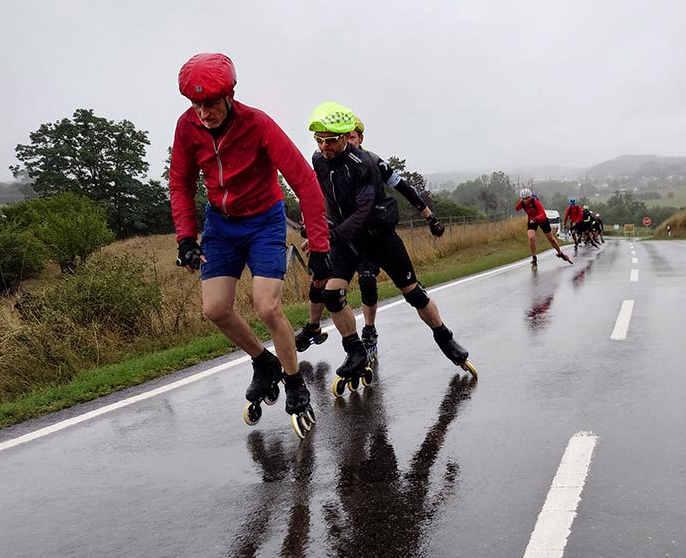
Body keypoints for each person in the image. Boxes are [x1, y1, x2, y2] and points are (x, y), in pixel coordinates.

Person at [169, 53, 331, 439]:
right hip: (221, 225)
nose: (203, 112)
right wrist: (187, 237)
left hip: (263, 220)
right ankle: (263, 363)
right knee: (214, 308)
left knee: (267, 305)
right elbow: (180, 182)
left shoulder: (256, 124)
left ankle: (294, 382)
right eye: (196, 104)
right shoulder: (187, 126)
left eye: (210, 103)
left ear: (230, 95)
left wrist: (320, 245)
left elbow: (305, 181)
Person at [307, 101, 475, 395]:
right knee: (331, 294)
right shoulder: (318, 160)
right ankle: (356, 349)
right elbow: (324, 200)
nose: (324, 146)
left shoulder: (368, 164)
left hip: (378, 236)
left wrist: (430, 217)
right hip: (346, 240)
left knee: (413, 294)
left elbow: (366, 210)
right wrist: (319, 231)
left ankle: (444, 337)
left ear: (348, 137)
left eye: (330, 140)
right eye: (319, 140)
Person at [295, 115, 446, 362]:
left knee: (367, 280)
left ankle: (370, 330)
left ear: (357, 138)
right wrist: (310, 226)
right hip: (341, 232)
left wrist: (430, 217)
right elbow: (314, 192)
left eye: (352, 137)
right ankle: (313, 327)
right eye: (323, 141)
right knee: (320, 280)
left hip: (370, 231)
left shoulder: (373, 163)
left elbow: (405, 189)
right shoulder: (325, 160)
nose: (330, 146)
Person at [516, 190, 572, 268]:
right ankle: (534, 257)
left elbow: (542, 214)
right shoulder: (522, 202)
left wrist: (536, 219)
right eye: (523, 199)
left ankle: (560, 253)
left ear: (530, 197)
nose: (525, 201)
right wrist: (519, 204)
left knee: (551, 239)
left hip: (542, 220)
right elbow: (517, 208)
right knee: (531, 238)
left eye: (527, 198)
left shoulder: (535, 202)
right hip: (531, 221)